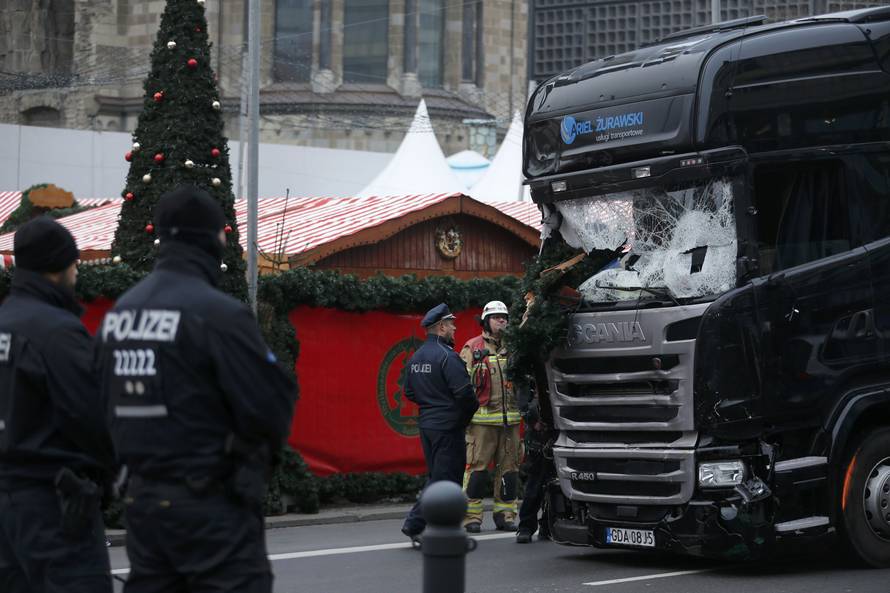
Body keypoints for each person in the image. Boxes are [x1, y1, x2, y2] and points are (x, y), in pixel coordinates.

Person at [96, 185, 297, 593]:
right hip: (210, 504)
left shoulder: (121, 313)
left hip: (143, 503)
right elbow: (270, 405)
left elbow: (97, 404)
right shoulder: (217, 313)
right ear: (215, 239)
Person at [0, 217, 115, 592]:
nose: (77, 271)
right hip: (53, 505)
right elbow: (92, 417)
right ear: (56, 267)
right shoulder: (57, 332)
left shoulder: (5, 321)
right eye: (74, 262)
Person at [401, 303, 478, 540]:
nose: (455, 328)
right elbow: (466, 395)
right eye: (451, 324)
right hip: (448, 427)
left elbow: (409, 392)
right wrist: (463, 418)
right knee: (446, 479)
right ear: (442, 327)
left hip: (428, 425)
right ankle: (415, 524)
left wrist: (430, 403)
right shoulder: (447, 356)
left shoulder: (416, 357)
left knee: (438, 475)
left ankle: (441, 527)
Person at [459, 300, 522, 533]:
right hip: (481, 424)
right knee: (477, 471)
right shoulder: (472, 348)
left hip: (511, 423)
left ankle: (505, 515)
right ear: (486, 321)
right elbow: (461, 386)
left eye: (505, 318)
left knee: (510, 470)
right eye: (497, 318)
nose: (502, 321)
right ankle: (472, 518)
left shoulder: (514, 347)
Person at [515, 376, 556, 543]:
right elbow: (523, 403)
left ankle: (548, 525)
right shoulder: (528, 373)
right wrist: (534, 421)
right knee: (536, 483)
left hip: (557, 430)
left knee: (555, 483)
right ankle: (526, 526)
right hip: (538, 436)